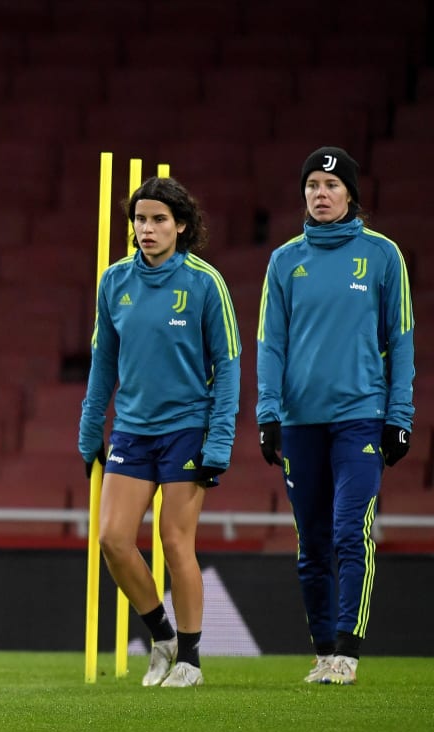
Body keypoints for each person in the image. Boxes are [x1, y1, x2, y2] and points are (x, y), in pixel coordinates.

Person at [255, 146, 414, 686]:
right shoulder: (284, 260)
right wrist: (268, 413)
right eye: (311, 187)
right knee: (311, 544)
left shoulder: (384, 255)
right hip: (300, 422)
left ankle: (348, 648)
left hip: (360, 417)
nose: (320, 195)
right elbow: (270, 343)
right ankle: (322, 652)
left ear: (350, 194)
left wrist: (400, 415)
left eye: (331, 186)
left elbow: (401, 339)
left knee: (351, 533)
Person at [79, 177, 241, 688]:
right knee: (113, 540)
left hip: (187, 429)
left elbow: (229, 365)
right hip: (131, 429)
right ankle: (163, 635)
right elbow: (104, 361)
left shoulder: (204, 283)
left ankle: (191, 659)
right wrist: (90, 428)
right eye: (140, 220)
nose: (147, 229)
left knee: (175, 541)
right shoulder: (115, 282)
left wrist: (219, 441)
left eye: (159, 220)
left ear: (182, 226)